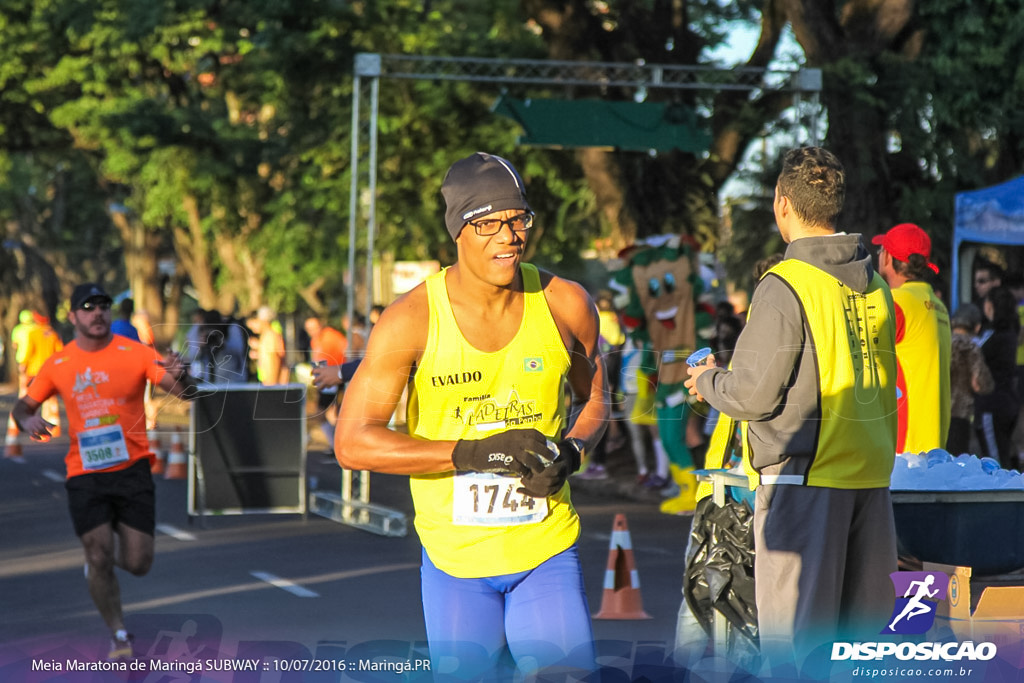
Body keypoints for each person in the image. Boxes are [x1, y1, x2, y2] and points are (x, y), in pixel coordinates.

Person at [335, 152, 607, 678]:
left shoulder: (566, 303)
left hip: (544, 548)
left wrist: (572, 451)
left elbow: (596, 396)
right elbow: (352, 443)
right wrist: (470, 453)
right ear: (458, 230)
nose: (510, 236)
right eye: (489, 223)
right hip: (456, 562)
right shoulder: (410, 320)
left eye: (518, 218)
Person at [685, 147, 898, 669]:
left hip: (802, 484)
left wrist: (707, 380)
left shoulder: (785, 284)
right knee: (859, 650)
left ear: (783, 204)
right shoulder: (873, 283)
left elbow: (753, 395)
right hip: (869, 476)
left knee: (794, 651)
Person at [10, 283, 199, 660]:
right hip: (85, 473)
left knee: (138, 563)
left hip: (132, 470)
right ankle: (119, 634)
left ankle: (100, 566)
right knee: (98, 554)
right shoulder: (60, 364)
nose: (97, 313)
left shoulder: (136, 354)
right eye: (87, 307)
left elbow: (187, 394)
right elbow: (22, 407)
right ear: (73, 316)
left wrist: (185, 374)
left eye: (103, 306)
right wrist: (27, 421)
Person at [873, 222, 951, 453]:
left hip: (902, 446)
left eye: (880, 251)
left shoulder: (894, 303)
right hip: (935, 442)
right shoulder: (938, 306)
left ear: (888, 258)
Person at [974, 286, 1021, 468]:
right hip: (1006, 401)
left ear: (992, 306)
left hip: (993, 404)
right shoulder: (1009, 333)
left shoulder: (997, 337)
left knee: (995, 462)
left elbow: (978, 358)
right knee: (1002, 453)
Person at [947, 304, 994, 455]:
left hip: (936, 413)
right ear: (977, 327)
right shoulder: (971, 348)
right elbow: (980, 384)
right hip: (961, 414)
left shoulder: (941, 343)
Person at [304, 316, 349, 448]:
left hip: (333, 378)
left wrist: (339, 370)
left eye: (314, 327)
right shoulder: (315, 339)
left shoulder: (330, 335)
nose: (312, 331)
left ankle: (337, 445)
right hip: (324, 378)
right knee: (329, 413)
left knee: (325, 412)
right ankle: (335, 445)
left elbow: (346, 349)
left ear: (320, 325)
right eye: (309, 329)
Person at [250, 306, 287, 385]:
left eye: (256, 321)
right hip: (268, 383)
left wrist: (271, 386)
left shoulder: (271, 336)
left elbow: (274, 359)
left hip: (272, 384)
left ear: (264, 321)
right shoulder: (265, 336)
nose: (252, 325)